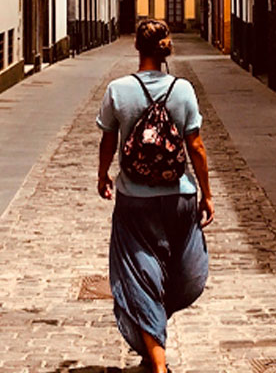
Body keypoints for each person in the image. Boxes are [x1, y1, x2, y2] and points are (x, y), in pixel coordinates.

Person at [96, 19, 214, 373]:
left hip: (135, 200)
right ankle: (153, 346)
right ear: (166, 49)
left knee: (138, 275)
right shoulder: (183, 90)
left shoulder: (118, 90)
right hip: (179, 197)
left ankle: (158, 364)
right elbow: (196, 146)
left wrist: (103, 175)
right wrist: (206, 194)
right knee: (180, 272)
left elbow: (108, 141)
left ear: (137, 47)